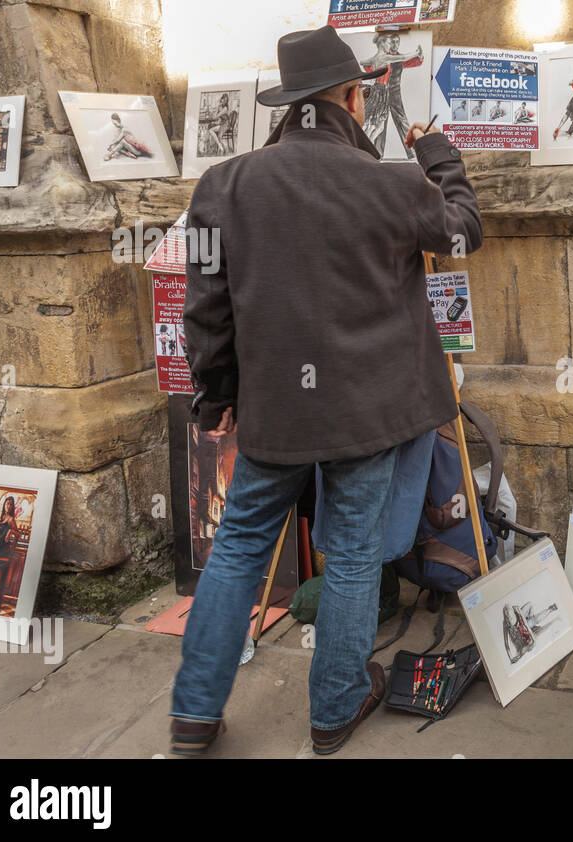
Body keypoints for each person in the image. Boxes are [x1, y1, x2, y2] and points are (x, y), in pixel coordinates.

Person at [170, 25, 482, 757]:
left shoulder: (224, 186)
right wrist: (437, 154)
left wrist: (216, 400)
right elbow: (465, 231)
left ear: (289, 105)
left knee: (238, 549)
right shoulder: (392, 183)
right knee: (349, 553)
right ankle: (335, 708)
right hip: (367, 414)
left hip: (273, 412)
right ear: (351, 98)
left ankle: (192, 716)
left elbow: (206, 316)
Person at [359, 31, 424, 157]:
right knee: (379, 124)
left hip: (393, 94)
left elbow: (412, 61)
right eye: (391, 41)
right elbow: (370, 67)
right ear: (384, 43)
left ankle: (412, 153)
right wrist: (417, 52)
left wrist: (419, 56)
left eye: (396, 41)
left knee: (397, 120)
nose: (394, 44)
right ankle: (375, 152)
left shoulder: (388, 58)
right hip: (381, 93)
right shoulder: (385, 57)